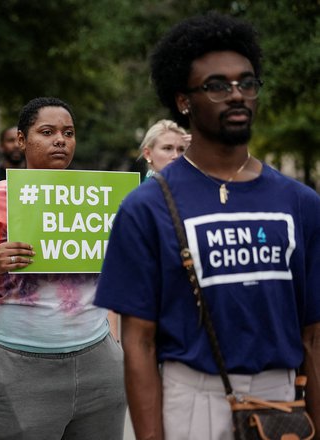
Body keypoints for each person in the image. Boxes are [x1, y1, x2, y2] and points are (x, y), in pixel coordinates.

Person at [94, 13, 320, 440]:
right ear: (183, 100)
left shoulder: (301, 203)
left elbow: (314, 337)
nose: (236, 95)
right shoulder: (146, 208)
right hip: (193, 401)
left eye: (247, 83)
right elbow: (138, 344)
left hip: (283, 404)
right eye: (217, 85)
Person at [0, 97, 126, 439]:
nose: (60, 140)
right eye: (46, 132)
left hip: (98, 363)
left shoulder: (100, 199)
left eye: (68, 133)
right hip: (18, 365)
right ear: (21, 140)